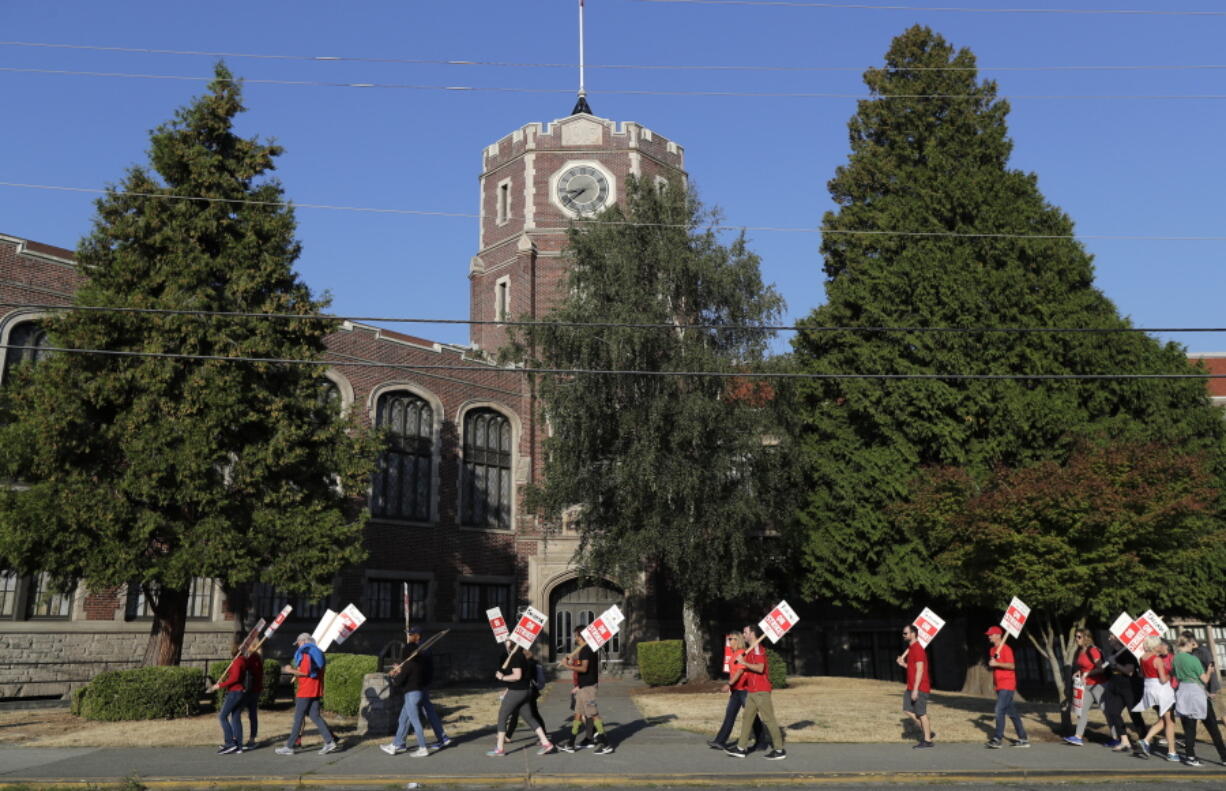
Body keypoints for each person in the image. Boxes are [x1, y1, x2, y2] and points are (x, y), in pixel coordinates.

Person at [724, 624, 786, 760]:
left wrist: (744, 663)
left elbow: (760, 668)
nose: (743, 634)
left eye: (745, 632)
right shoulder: (751, 650)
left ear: (752, 634)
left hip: (761, 691)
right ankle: (741, 748)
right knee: (747, 719)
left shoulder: (757, 648)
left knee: (769, 719)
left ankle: (779, 750)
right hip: (752, 691)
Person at [488, 642, 555, 757]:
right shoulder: (520, 655)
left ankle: (499, 748)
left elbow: (517, 676)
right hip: (525, 691)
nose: (505, 643)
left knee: (502, 715)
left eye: (508, 641)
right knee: (529, 717)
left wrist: (502, 677)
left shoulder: (516, 656)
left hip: (517, 691)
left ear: (513, 643)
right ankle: (546, 743)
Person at [276, 633, 338, 755]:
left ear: (304, 641)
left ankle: (289, 746)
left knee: (298, 718)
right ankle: (330, 741)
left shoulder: (306, 653)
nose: (298, 645)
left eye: (298, 643)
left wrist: (290, 670)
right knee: (315, 716)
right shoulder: (317, 651)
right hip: (316, 688)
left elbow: (305, 672)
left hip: (306, 689)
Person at [1173, 633, 1226, 767]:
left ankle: (1190, 755)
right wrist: (1209, 670)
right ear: (1189, 642)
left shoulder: (1176, 659)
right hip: (1196, 694)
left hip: (1183, 692)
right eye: (1192, 644)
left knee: (1190, 727)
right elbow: (1205, 679)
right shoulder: (1193, 660)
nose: (1193, 647)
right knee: (1212, 726)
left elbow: (1174, 675)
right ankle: (1224, 756)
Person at [560, 628, 613, 754]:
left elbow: (584, 668)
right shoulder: (586, 649)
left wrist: (566, 666)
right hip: (583, 687)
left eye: (576, 636)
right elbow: (582, 664)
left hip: (589, 688)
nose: (574, 638)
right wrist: (573, 661)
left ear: (580, 636)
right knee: (578, 713)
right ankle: (570, 743)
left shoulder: (586, 649)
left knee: (593, 714)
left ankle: (606, 744)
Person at [381, 630, 432, 758]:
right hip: (416, 693)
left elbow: (398, 682)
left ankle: (423, 748)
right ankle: (397, 745)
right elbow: (408, 676)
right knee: (402, 720)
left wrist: (394, 675)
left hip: (411, 695)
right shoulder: (418, 664)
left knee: (415, 722)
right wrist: (400, 669)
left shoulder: (409, 665)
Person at [709, 632, 764, 752]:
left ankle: (761, 742)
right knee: (729, 716)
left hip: (744, 691)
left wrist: (729, 684)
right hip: (736, 691)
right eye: (729, 639)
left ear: (738, 640)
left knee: (752, 717)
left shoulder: (741, 653)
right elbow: (734, 672)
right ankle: (720, 741)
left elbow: (739, 672)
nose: (730, 641)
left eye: (732, 639)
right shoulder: (734, 654)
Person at [984, 626, 1029, 749]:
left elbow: (1012, 666)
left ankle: (997, 738)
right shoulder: (993, 650)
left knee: (999, 710)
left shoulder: (1006, 648)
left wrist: (997, 663)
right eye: (988, 634)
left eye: (991, 634)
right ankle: (1023, 738)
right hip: (999, 685)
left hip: (1008, 684)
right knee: (1013, 713)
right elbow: (996, 667)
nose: (989, 636)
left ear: (998, 635)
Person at [1135, 635, 1178, 762]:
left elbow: (1141, 674)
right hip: (1162, 691)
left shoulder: (1142, 658)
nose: (1161, 646)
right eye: (1159, 644)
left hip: (1149, 690)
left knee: (1164, 720)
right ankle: (1171, 752)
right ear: (1155, 646)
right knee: (1170, 721)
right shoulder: (1157, 659)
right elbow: (1163, 679)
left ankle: (1146, 740)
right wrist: (1171, 674)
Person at [1065, 628, 1107, 746]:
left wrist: (1087, 674)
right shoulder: (1080, 650)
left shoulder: (1093, 650)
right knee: (1081, 711)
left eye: (1079, 637)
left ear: (1086, 638)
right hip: (1086, 685)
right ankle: (1078, 736)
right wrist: (1079, 672)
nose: (1076, 639)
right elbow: (1083, 666)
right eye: (1076, 636)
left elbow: (1100, 668)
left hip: (1098, 685)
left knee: (1106, 711)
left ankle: (1118, 737)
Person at [207, 649, 251, 754]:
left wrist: (220, 685)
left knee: (222, 716)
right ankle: (238, 746)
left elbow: (235, 678)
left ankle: (230, 743)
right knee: (235, 717)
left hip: (235, 692)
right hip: (239, 691)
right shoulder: (242, 661)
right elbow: (234, 677)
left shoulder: (237, 662)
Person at [897, 624, 934, 748]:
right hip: (911, 686)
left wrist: (916, 690)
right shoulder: (912, 648)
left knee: (921, 713)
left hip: (919, 687)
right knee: (907, 709)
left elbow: (920, 670)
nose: (903, 635)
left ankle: (927, 740)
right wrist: (904, 664)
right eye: (903, 633)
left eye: (905, 633)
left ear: (913, 634)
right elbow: (913, 668)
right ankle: (927, 732)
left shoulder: (917, 649)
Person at [504, 644, 545, 741]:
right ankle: (508, 736)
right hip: (526, 690)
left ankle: (544, 735)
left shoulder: (527, 661)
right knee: (518, 713)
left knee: (532, 714)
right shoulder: (526, 660)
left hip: (527, 690)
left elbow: (521, 677)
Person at [242, 648, 264, 750]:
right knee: (251, 714)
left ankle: (251, 738)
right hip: (252, 689)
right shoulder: (253, 657)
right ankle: (249, 737)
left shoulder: (254, 658)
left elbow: (253, 672)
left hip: (251, 690)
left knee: (251, 714)